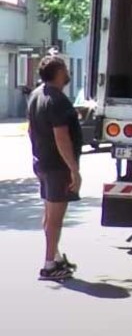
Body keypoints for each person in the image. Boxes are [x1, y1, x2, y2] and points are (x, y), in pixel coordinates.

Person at [27, 55, 82, 281]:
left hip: (43, 162)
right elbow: (61, 137)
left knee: (50, 213)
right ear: (58, 72)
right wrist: (73, 169)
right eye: (65, 69)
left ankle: (56, 257)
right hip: (58, 166)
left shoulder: (36, 95)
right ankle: (49, 265)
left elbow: (31, 129)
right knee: (55, 217)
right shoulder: (57, 100)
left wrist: (38, 152)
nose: (67, 72)